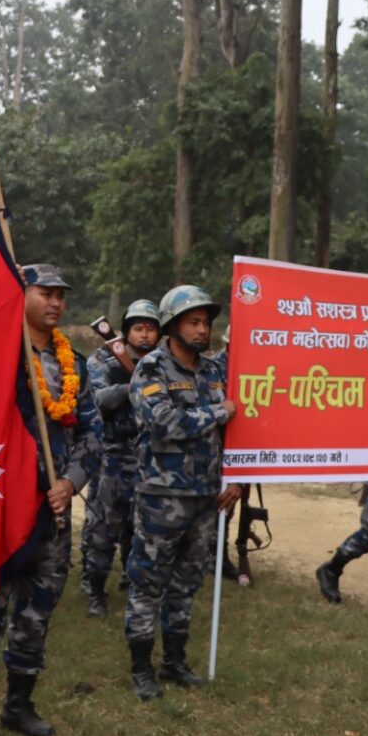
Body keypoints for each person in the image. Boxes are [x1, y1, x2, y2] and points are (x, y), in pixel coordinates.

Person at [0, 264, 102, 736]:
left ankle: (18, 703)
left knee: (36, 615)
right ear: (20, 294)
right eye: (46, 293)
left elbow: (90, 434)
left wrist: (70, 481)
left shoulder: (74, 365)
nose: (56, 302)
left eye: (61, 295)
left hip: (53, 514)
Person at [125, 285, 241, 702]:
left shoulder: (212, 371)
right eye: (194, 322)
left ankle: (174, 661)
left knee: (186, 583)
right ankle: (141, 667)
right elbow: (165, 424)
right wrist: (217, 411)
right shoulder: (151, 369)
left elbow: (235, 434)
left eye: (206, 322)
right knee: (147, 582)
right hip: (161, 498)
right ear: (173, 326)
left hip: (206, 497)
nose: (203, 329)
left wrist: (238, 479)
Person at [81, 299, 160, 618]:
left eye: (151, 329)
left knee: (142, 527)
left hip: (151, 456)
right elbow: (95, 399)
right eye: (138, 329)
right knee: (104, 527)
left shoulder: (162, 361)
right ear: (126, 331)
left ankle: (134, 580)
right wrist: (132, 388)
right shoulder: (104, 358)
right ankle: (95, 587)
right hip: (113, 455)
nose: (144, 335)